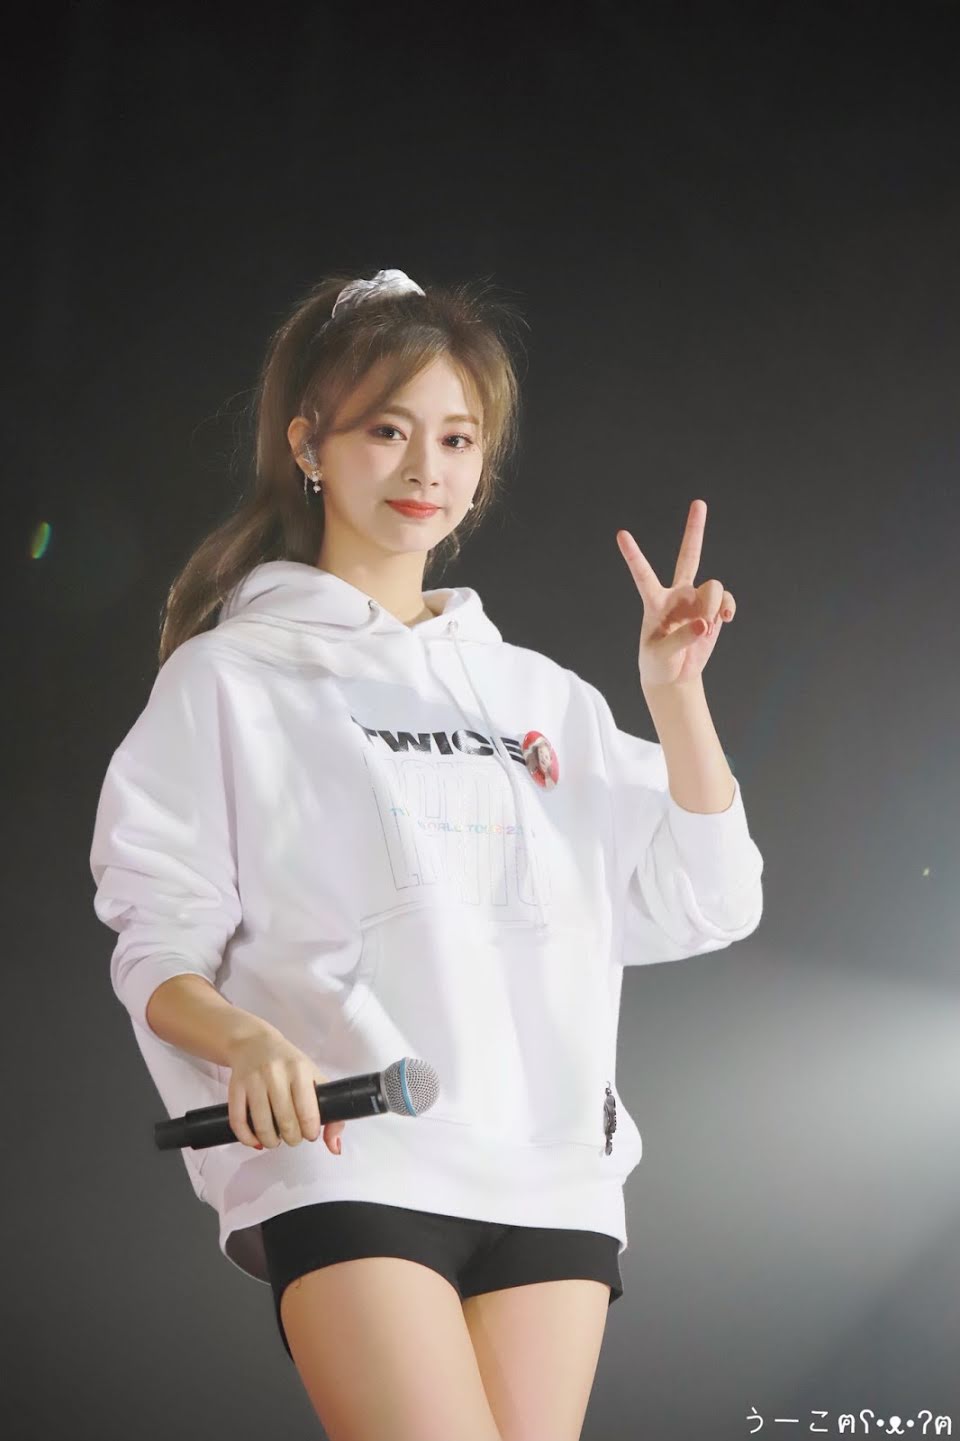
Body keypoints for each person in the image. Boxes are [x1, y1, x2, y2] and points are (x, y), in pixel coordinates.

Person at [89, 267, 764, 1440]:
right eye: (386, 430)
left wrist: (674, 696)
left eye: (456, 438)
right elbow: (156, 937)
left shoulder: (539, 695)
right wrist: (248, 1041)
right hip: (352, 1154)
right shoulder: (231, 676)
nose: (425, 469)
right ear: (309, 442)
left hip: (554, 1166)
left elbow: (711, 900)